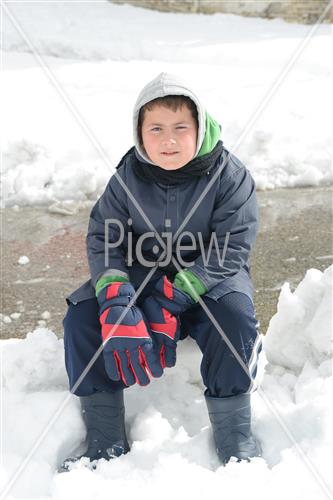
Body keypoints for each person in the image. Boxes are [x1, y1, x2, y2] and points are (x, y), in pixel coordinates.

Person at [59, 72, 263, 472]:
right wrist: (117, 297)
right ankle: (104, 437)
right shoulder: (128, 176)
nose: (168, 140)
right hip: (142, 274)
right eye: (156, 129)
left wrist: (176, 296)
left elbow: (233, 245)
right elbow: (105, 236)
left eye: (180, 128)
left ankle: (234, 434)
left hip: (211, 279)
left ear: (198, 127)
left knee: (235, 322)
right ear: (140, 133)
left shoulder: (230, 175)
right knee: (83, 317)